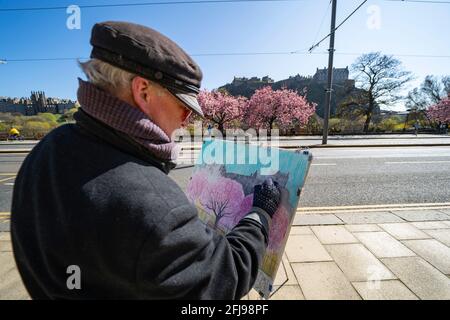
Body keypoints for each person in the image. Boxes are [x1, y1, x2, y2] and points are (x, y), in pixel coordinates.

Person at [11, 21, 281, 300]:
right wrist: (259, 214)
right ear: (143, 92)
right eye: (183, 105)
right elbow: (225, 278)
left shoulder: (48, 148)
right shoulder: (157, 210)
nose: (187, 119)